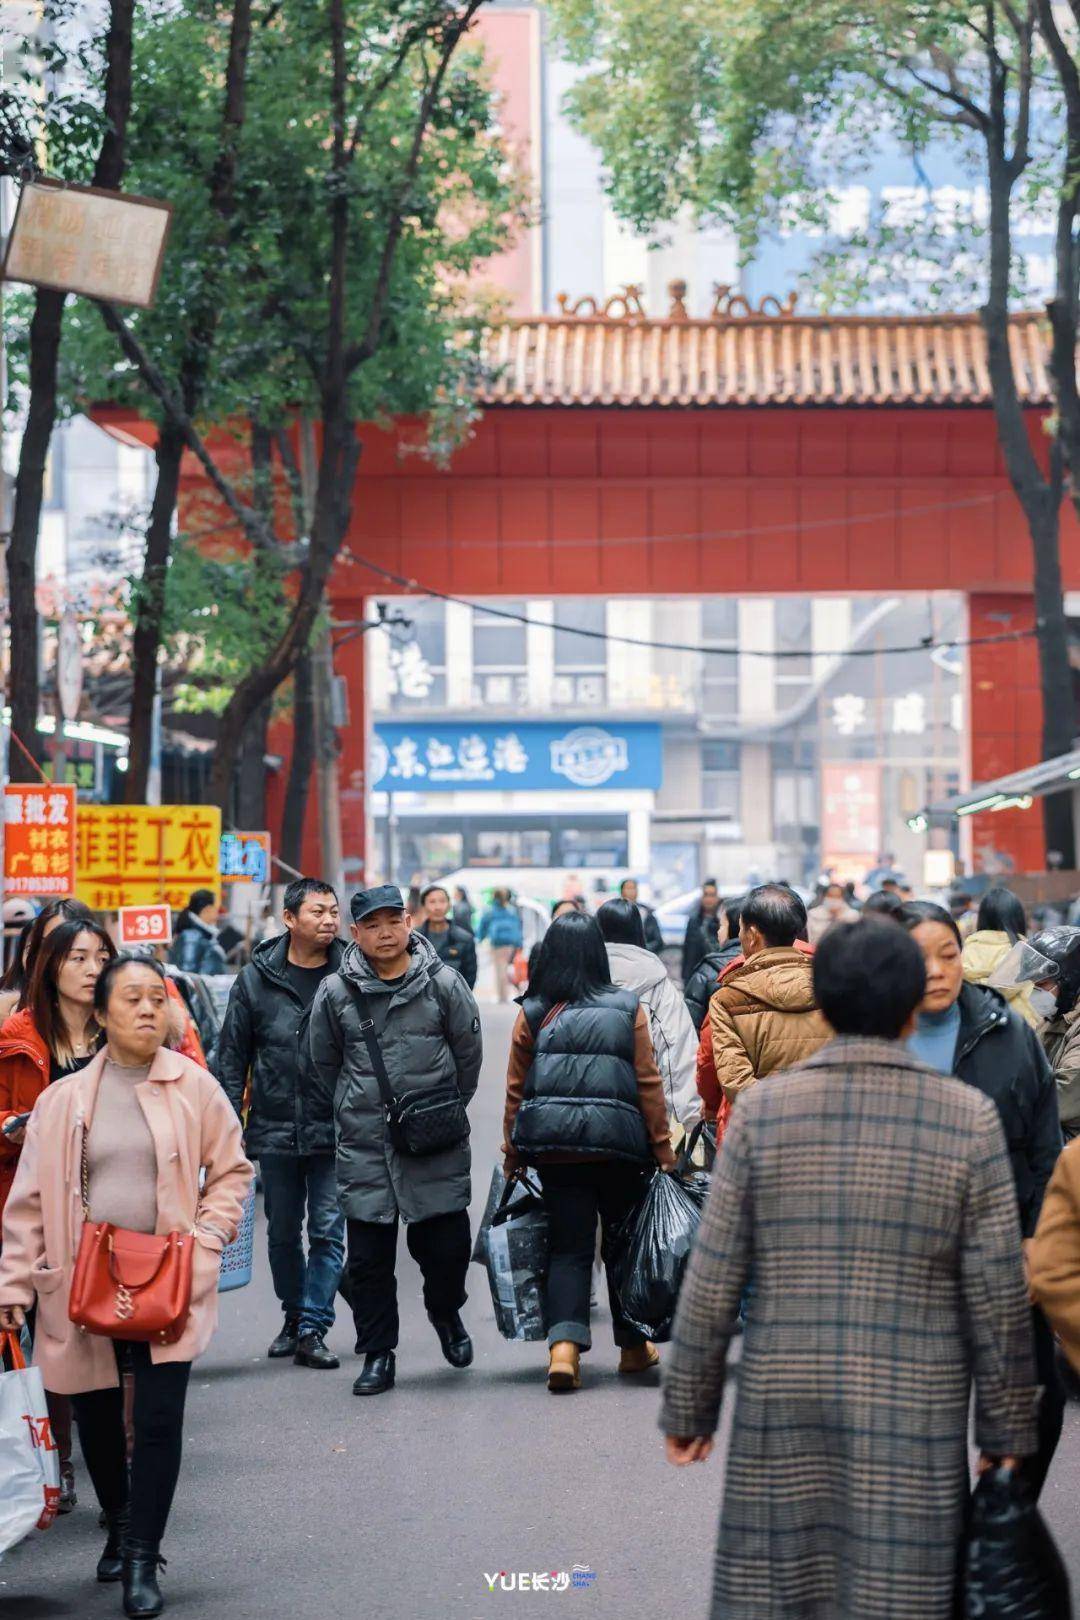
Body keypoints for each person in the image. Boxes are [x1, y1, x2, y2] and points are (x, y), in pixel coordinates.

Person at [662, 918, 1037, 1620]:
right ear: (907, 1005)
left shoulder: (765, 1114)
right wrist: (1006, 1430)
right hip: (915, 1408)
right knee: (901, 1592)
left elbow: (713, 1278)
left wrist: (691, 1406)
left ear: (825, 1005)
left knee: (781, 1590)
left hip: (784, 1403)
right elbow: (996, 1292)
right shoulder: (965, 1120)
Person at [0, 953, 251, 1619]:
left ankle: (143, 1554)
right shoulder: (64, 1098)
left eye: (156, 998)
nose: (147, 1009)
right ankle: (117, 1518)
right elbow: (26, 1202)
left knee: (160, 1419)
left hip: (169, 1277)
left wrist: (206, 1241)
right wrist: (14, 1282)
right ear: (102, 1014)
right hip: (82, 1281)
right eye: (132, 999)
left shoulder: (194, 1087)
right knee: (97, 1420)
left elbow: (231, 1172)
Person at [899, 900, 1063, 1496]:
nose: (939, 970)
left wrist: (1032, 1240)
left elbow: (1044, 1145)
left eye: (949, 954)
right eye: (920, 959)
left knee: (1033, 1401)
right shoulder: (872, 1037)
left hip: (1002, 1244)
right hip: (910, 1257)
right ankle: (942, 1528)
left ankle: (1000, 1508)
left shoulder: (1006, 1030)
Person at [305, 886, 482, 1398]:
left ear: (410, 921)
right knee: (368, 1263)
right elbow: (324, 1062)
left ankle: (445, 1313)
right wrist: (354, 1108)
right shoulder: (337, 993)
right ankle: (378, 1353)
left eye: (392, 921)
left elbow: (468, 1055)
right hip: (364, 1144)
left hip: (434, 1142)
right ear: (354, 933)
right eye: (371, 924)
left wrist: (442, 1110)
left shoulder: (443, 984)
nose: (384, 932)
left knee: (446, 1250)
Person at [502, 911, 675, 1392]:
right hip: (620, 1147)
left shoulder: (533, 1010)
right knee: (621, 1246)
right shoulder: (626, 1007)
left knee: (569, 1248)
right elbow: (648, 1083)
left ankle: (564, 1351)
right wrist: (663, 1149)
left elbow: (516, 1090)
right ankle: (634, 1349)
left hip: (555, 1150)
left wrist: (512, 1152)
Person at [0, 916, 116, 1515]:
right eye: (78, 958)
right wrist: (13, 1130)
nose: (92, 968)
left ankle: (120, 1478)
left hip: (115, 1212)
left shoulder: (122, 1030)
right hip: (38, 1211)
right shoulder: (16, 1034)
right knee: (52, 1344)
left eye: (101, 956)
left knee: (115, 1343)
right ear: (50, 966)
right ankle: (58, 1460)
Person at [216, 878, 346, 1370]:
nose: (329, 920)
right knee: (283, 1233)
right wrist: (226, 1128)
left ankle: (314, 1325)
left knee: (330, 1231)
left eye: (333, 911)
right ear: (290, 919)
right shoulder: (255, 979)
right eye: (318, 911)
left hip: (336, 1128)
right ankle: (294, 1317)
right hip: (273, 1126)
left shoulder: (352, 974)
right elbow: (232, 1058)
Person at [703, 884, 830, 1112]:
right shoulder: (831, 987)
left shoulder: (728, 999)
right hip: (823, 1124)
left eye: (741, 928)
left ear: (752, 935)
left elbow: (736, 1082)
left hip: (762, 1131)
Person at [597, 900, 700, 1128]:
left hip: (574, 1122)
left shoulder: (581, 979)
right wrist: (688, 1123)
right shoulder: (659, 987)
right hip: (638, 1118)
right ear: (638, 930)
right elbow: (677, 1056)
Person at [989, 925, 1080, 1142]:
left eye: (1042, 984)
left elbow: (1064, 1090)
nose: (1036, 992)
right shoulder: (1058, 1016)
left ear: (1070, 981)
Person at [0, 895, 94, 1022]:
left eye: (63, 943)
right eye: (44, 944)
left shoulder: (111, 1012)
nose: (51, 954)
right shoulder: (11, 1016)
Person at [961, 885, 1040, 1029]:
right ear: (1017, 918)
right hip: (1024, 1034)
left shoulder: (965, 952)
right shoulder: (1029, 954)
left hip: (978, 1033)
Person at [683, 895, 744, 1033]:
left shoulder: (707, 971)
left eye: (722, 925)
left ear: (736, 928)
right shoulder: (766, 963)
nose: (718, 931)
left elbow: (691, 1027)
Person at [418, 884, 477, 988]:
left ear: (449, 905)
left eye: (442, 901)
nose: (438, 907)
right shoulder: (414, 938)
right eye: (432, 902)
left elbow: (470, 975)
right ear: (423, 907)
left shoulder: (464, 939)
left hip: (454, 999)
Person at [476, 888, 523, 1003]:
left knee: (500, 970)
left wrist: (480, 938)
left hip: (497, 943)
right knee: (505, 968)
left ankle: (502, 996)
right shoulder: (511, 910)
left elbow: (483, 926)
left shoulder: (490, 910)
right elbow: (517, 927)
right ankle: (506, 994)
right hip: (510, 943)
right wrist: (519, 943)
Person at [169, 889, 227, 975]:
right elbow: (187, 976)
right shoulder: (192, 937)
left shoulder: (201, 935)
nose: (218, 912)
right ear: (207, 909)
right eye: (216, 908)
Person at [681, 878, 721, 985]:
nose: (708, 899)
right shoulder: (694, 921)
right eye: (706, 894)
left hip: (717, 975)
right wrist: (685, 977)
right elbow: (687, 950)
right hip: (696, 974)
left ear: (717, 897)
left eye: (712, 895)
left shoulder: (723, 921)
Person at [618, 877, 664, 955]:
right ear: (621, 891)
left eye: (634, 888)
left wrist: (644, 950)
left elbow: (658, 941)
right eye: (628, 888)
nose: (632, 891)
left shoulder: (646, 912)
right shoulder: (614, 911)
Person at [805, 880, 859, 945]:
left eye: (837, 896)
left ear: (842, 898)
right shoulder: (813, 914)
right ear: (825, 897)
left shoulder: (853, 916)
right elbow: (809, 938)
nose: (833, 900)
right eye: (830, 896)